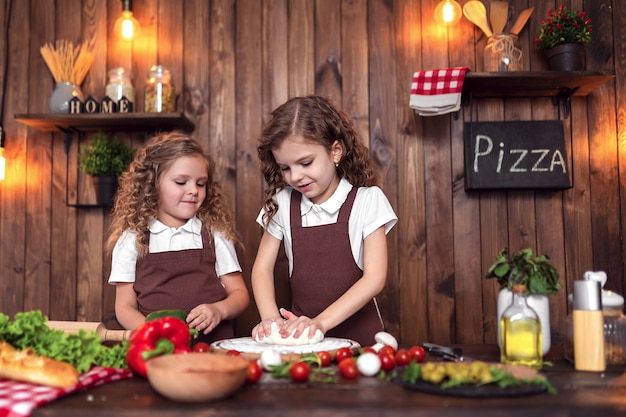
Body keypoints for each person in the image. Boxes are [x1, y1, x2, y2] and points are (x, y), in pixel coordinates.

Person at [251, 95, 397, 347]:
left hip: (361, 341)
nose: (295, 176)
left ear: (335, 151)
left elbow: (374, 278)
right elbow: (261, 269)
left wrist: (320, 323)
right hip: (301, 341)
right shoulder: (282, 202)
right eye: (285, 168)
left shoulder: (368, 200)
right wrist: (271, 320)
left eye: (306, 162)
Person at [107, 131, 249, 344]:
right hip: (160, 348)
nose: (194, 190)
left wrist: (219, 310)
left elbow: (239, 294)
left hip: (211, 348)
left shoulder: (214, 234)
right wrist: (152, 332)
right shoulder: (133, 240)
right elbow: (124, 307)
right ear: (153, 184)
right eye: (181, 182)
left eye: (201, 184)